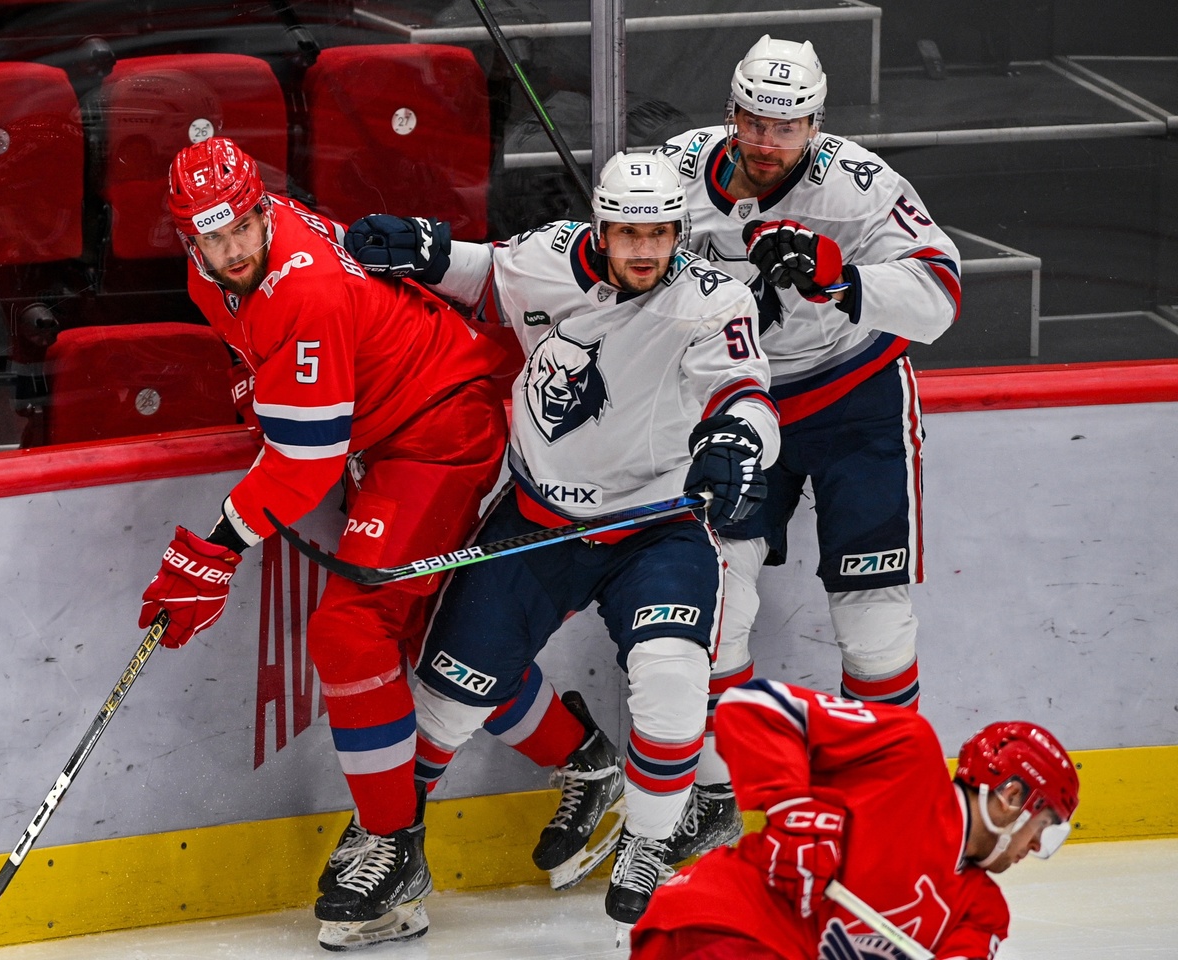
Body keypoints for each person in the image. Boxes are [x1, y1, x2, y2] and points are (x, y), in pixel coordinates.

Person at [343, 151, 780, 931]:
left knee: (673, 676)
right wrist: (423, 246)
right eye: (627, 232)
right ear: (600, 227)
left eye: (660, 233)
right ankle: (392, 844)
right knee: (443, 702)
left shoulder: (715, 300)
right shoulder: (551, 257)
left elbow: (745, 392)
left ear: (680, 232)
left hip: (656, 530)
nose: (643, 250)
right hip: (537, 524)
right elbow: (482, 274)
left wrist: (734, 443)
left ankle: (648, 840)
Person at [136, 137, 510, 951]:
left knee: (348, 632)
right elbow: (252, 350)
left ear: (264, 208)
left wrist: (215, 550)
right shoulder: (212, 270)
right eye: (212, 236)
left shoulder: (302, 288)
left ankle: (394, 850)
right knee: (415, 635)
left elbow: (304, 466)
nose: (232, 250)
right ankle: (582, 755)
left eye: (242, 226)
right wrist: (256, 388)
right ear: (188, 239)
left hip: (441, 424)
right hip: (388, 429)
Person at [652, 34, 963, 866]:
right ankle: (723, 797)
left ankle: (888, 806)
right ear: (732, 113)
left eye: (786, 127)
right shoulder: (677, 172)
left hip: (854, 397)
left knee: (874, 621)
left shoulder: (860, 184)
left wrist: (842, 282)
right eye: (754, 120)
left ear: (815, 127)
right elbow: (623, 266)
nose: (766, 141)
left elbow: (940, 295)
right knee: (719, 613)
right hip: (740, 399)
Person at [631, 677, 1080, 959]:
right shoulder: (909, 752)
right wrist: (793, 808)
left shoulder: (981, 914)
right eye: (1044, 826)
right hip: (721, 923)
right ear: (1013, 795)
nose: (1037, 847)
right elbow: (756, 706)